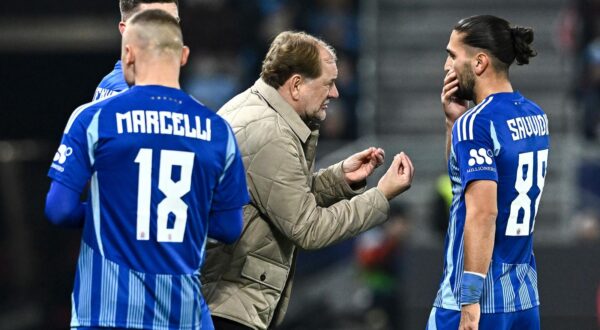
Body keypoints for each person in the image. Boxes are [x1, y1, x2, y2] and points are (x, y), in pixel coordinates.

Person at [45, 9, 248, 329]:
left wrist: (118, 216)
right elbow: (229, 227)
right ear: (183, 56)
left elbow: (59, 209)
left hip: (105, 312)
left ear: (128, 53)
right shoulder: (218, 130)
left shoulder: (93, 117)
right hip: (182, 314)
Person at [201, 31, 415, 330]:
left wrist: (340, 179)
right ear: (297, 84)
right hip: (230, 306)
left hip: (225, 297)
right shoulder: (269, 132)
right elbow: (309, 228)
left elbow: (278, 194)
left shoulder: (253, 108)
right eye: (328, 83)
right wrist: (381, 196)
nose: (336, 93)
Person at [427, 15, 549, 330]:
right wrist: (453, 123)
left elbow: (482, 212)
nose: (446, 66)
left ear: (479, 62)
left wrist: (469, 303)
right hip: (523, 299)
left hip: (477, 303)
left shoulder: (477, 122)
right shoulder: (536, 116)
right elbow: (464, 186)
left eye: (453, 55)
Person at [93, 0, 179, 100]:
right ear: (125, 30)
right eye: (153, 24)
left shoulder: (112, 81)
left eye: (173, 23)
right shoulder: (125, 91)